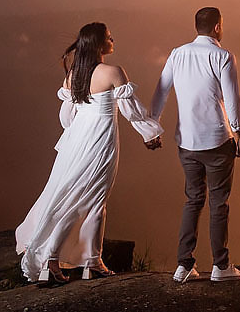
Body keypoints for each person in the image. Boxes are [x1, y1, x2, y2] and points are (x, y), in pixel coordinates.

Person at [16, 22, 165, 285]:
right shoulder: (114, 72)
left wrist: (77, 134)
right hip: (100, 140)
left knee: (76, 194)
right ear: (99, 44)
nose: (113, 39)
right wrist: (150, 133)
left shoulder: (74, 74)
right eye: (109, 37)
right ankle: (58, 260)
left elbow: (66, 117)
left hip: (76, 141)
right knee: (92, 197)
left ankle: (90, 260)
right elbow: (132, 111)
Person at [150, 7, 240, 283]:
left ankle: (184, 265)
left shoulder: (177, 54)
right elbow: (232, 99)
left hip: (187, 142)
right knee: (219, 203)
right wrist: (239, 133)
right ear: (217, 27)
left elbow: (161, 90)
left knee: (193, 200)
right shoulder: (223, 57)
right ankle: (221, 265)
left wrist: (152, 126)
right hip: (217, 140)